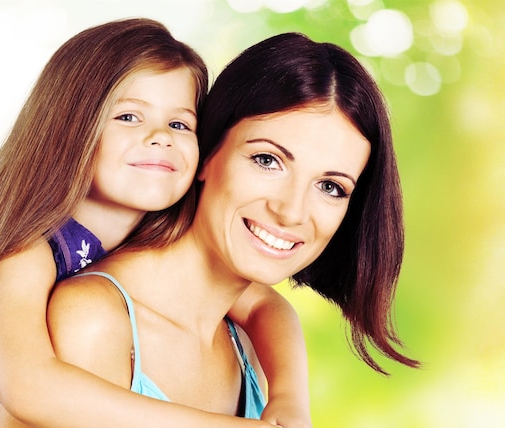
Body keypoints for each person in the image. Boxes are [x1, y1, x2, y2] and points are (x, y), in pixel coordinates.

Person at [0, 18, 309, 428]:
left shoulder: (159, 238)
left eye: (179, 123)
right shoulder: (26, 246)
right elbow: (29, 388)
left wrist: (289, 399)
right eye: (129, 116)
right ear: (70, 127)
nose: (161, 136)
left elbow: (264, 304)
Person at [43, 31, 420, 427]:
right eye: (267, 160)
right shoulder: (95, 320)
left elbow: (270, 308)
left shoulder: (250, 345)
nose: (291, 212)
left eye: (331, 187)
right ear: (207, 153)